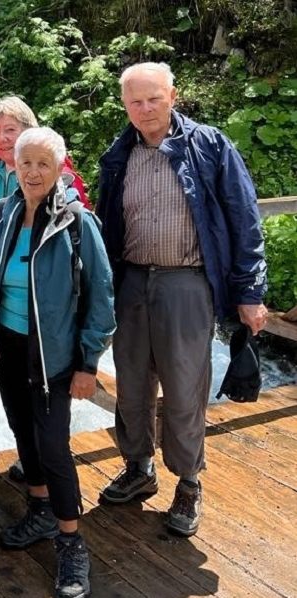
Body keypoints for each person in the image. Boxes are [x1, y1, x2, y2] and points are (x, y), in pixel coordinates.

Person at [96, 62, 268, 537]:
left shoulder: (210, 146)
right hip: (131, 280)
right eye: (135, 101)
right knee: (131, 384)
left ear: (173, 96)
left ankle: (189, 481)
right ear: (125, 105)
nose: (145, 108)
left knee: (185, 387)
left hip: (187, 282)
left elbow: (244, 219)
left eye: (154, 98)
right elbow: (105, 224)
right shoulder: (119, 153)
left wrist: (250, 292)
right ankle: (138, 467)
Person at [0, 127, 115, 598]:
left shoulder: (77, 223)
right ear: (14, 167)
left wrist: (88, 364)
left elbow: (102, 296)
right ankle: (39, 509)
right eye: (26, 163)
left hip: (54, 355)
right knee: (23, 432)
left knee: (54, 446)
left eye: (43, 163)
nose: (33, 172)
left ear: (60, 167)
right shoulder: (4, 212)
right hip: (9, 348)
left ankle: (71, 541)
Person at [0, 95, 89, 228]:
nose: (2, 138)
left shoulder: (59, 175)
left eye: (10, 130)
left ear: (29, 131)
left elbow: (79, 225)